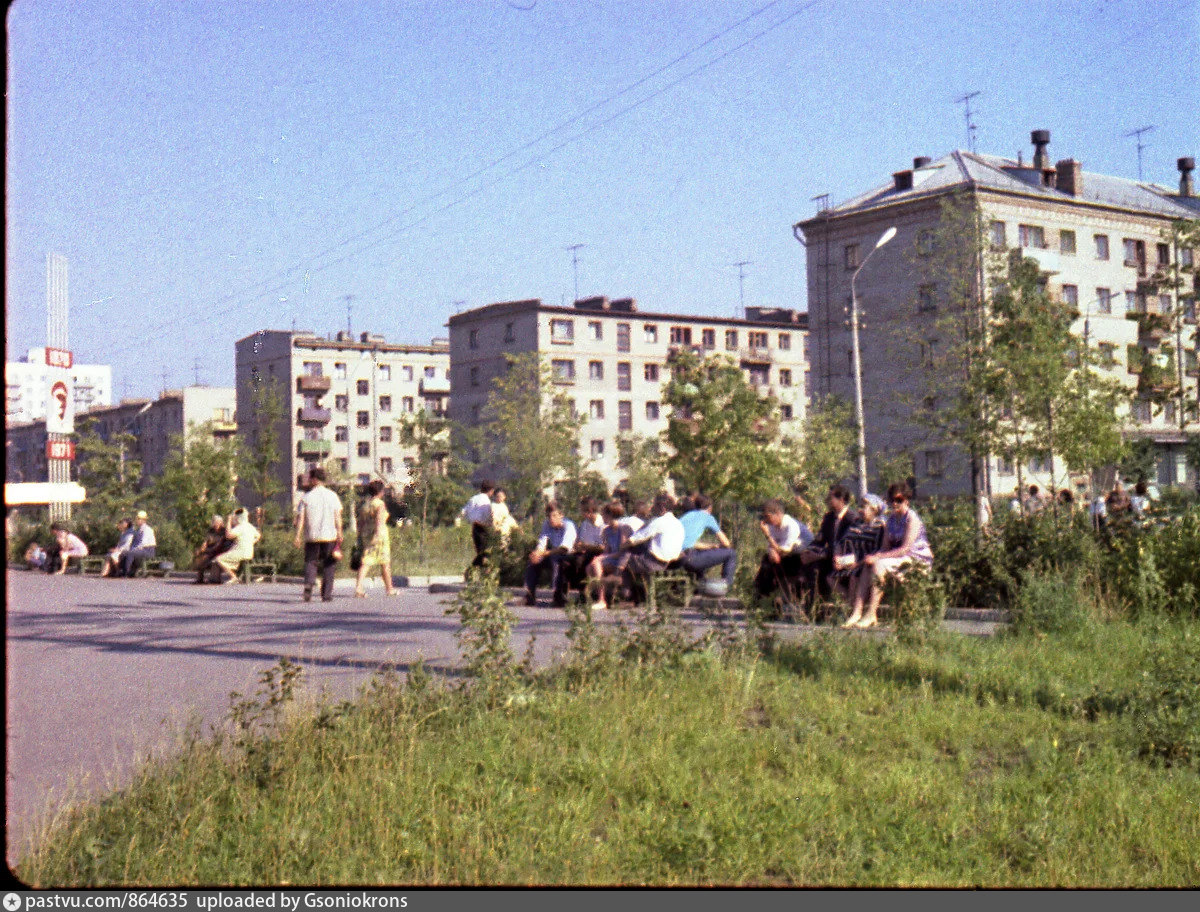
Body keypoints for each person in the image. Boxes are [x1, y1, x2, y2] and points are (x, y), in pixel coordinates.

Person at [843, 482, 933, 629]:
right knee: (870, 564)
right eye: (892, 500)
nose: (895, 503)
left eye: (899, 500)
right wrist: (867, 559)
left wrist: (878, 558)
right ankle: (857, 612)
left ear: (906, 500)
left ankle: (872, 613)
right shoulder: (890, 520)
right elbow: (885, 548)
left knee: (879, 564)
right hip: (898, 559)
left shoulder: (912, 519)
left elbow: (904, 549)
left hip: (916, 560)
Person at [796, 484, 860, 620]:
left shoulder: (852, 519)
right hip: (828, 557)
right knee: (811, 566)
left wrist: (820, 554)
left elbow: (847, 545)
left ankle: (822, 609)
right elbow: (820, 539)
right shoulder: (829, 517)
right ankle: (814, 609)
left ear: (841, 499)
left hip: (846, 558)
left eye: (830, 498)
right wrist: (809, 552)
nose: (827, 500)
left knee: (817, 565)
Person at [621, 493, 686, 605]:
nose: (651, 508)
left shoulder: (658, 522)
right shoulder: (678, 523)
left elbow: (636, 538)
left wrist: (621, 546)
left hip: (654, 562)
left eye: (654, 505)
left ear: (662, 508)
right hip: (671, 563)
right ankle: (638, 595)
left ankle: (627, 596)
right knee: (635, 554)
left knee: (625, 560)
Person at [294, 467, 344, 602]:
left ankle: (309, 584)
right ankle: (326, 594)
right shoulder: (333, 496)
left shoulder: (306, 497)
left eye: (310, 478)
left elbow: (301, 519)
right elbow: (337, 516)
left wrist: (297, 536)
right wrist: (340, 532)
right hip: (330, 536)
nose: (309, 481)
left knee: (311, 562)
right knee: (329, 564)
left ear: (314, 480)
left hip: (312, 536)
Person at [753, 499, 813, 610]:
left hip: (802, 558)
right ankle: (763, 597)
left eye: (767, 516)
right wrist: (772, 551)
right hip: (787, 557)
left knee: (774, 564)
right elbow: (773, 547)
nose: (766, 520)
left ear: (778, 514)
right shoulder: (772, 526)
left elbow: (785, 551)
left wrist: (767, 536)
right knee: (767, 561)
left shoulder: (791, 526)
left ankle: (771, 598)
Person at [830, 493, 888, 602]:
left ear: (873, 509)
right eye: (859, 506)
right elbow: (840, 543)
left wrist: (858, 563)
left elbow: (878, 550)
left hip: (864, 562)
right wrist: (837, 557)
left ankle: (852, 606)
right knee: (830, 578)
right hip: (849, 560)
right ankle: (850, 602)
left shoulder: (880, 525)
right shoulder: (856, 523)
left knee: (854, 576)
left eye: (863, 507)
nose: (860, 510)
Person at [678, 493, 737, 592]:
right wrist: (722, 545)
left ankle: (699, 589)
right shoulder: (708, 518)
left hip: (679, 558)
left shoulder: (686, 516)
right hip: (691, 558)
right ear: (710, 507)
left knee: (700, 555)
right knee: (731, 553)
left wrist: (711, 546)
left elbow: (688, 543)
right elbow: (726, 543)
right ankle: (726, 587)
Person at [524, 502, 577, 607]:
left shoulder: (568, 526)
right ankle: (530, 595)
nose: (551, 519)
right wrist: (537, 553)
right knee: (533, 561)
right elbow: (542, 542)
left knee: (556, 560)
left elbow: (564, 549)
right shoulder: (547, 524)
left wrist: (544, 553)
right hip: (553, 554)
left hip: (569, 556)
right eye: (549, 516)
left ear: (561, 515)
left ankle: (558, 596)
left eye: (554, 515)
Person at [586, 499, 635, 611]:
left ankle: (601, 600)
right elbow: (607, 550)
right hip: (612, 558)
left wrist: (602, 558)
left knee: (596, 564)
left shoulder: (623, 529)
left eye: (603, 514)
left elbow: (623, 551)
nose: (602, 517)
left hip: (622, 560)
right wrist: (601, 557)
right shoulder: (606, 530)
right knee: (590, 566)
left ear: (610, 515)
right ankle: (595, 595)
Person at [354, 480, 396, 597]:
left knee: (366, 561)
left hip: (366, 535)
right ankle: (389, 589)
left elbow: (360, 523)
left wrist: (359, 536)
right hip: (379, 536)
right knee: (385, 563)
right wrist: (377, 534)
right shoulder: (380, 504)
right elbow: (379, 520)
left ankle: (358, 587)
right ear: (381, 492)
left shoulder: (365, 505)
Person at [564, 496, 606, 597]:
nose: (581, 514)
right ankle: (564, 594)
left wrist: (586, 547)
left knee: (580, 561)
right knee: (566, 560)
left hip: (600, 553)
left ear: (590, 511)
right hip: (585, 551)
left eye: (583, 511)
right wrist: (578, 546)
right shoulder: (585, 524)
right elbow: (581, 541)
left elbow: (603, 547)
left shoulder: (603, 524)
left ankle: (586, 593)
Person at [215, 508, 261, 584]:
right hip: (249, 553)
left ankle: (233, 577)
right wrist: (251, 542)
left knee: (219, 559)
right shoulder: (250, 527)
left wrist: (229, 521)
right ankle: (237, 575)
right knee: (229, 556)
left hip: (240, 552)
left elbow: (228, 535)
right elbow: (258, 536)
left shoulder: (240, 527)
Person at [461, 480, 495, 575]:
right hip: (483, 528)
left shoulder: (473, 499)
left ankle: (482, 574)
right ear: (491, 491)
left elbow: (464, 511)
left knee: (482, 552)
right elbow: (487, 517)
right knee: (484, 553)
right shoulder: (486, 501)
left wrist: (469, 519)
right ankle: (470, 571)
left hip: (474, 528)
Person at [192, 515, 232, 583]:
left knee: (204, 557)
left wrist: (206, 550)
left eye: (217, 522)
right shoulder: (210, 531)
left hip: (220, 550)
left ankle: (212, 579)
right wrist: (202, 548)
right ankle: (200, 579)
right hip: (210, 551)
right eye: (214, 522)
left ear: (221, 523)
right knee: (199, 555)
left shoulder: (223, 532)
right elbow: (205, 542)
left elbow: (219, 545)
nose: (215, 524)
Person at [119, 511, 157, 577]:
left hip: (148, 550)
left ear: (143, 520)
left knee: (131, 553)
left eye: (138, 519)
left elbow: (143, 543)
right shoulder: (139, 530)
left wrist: (133, 550)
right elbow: (135, 542)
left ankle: (126, 573)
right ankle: (122, 571)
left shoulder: (147, 530)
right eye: (137, 519)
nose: (137, 520)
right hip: (141, 549)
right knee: (124, 553)